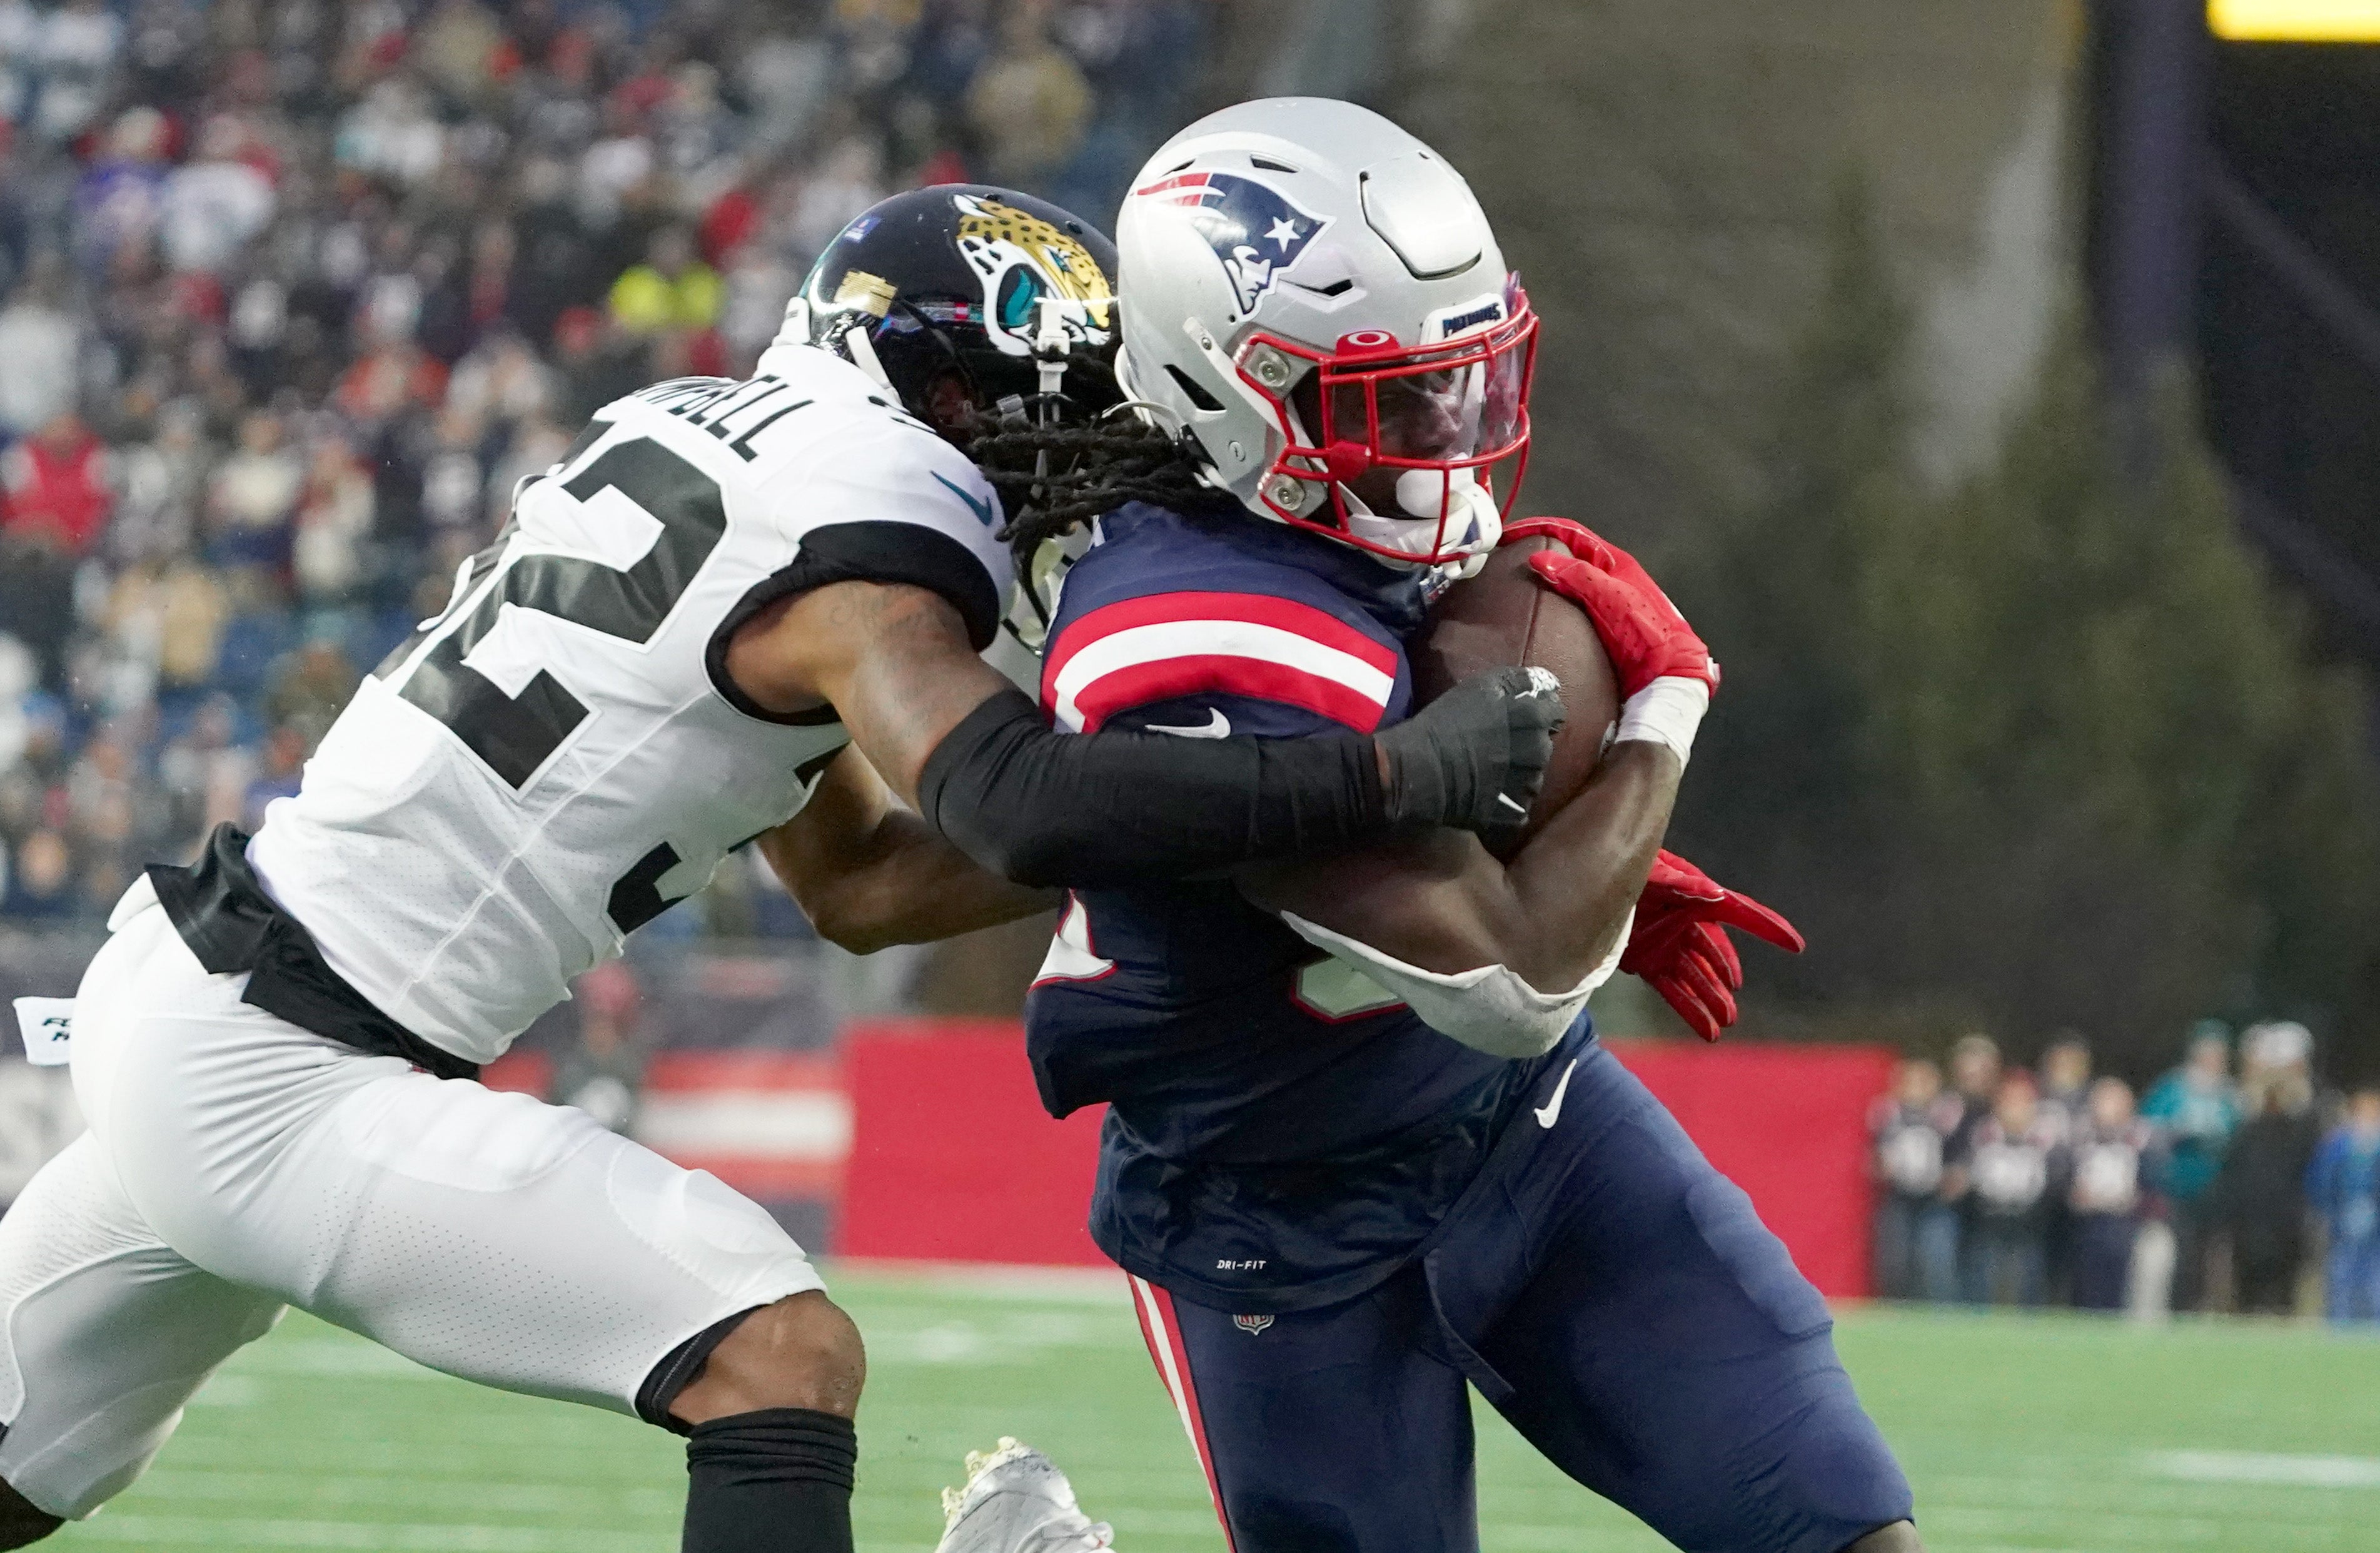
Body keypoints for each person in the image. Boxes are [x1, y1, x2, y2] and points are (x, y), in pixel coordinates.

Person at [0, 184, 1558, 1552]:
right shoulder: (879, 527)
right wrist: (1378, 778)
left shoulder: (698, 434)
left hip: (186, 998)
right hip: (295, 1067)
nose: (1086, 458)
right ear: (947, 389)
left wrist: (1216, 833)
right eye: (1063, 411)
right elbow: (1016, 800)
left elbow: (860, 887)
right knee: (775, 1349)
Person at [980, 99, 1918, 1553]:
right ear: (1217, 389)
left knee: (1838, 1524)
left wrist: (1595, 850)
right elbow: (1512, 976)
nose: (1448, 437)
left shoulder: (1347, 520)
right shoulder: (1195, 629)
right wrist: (1663, 703)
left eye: (1462, 379)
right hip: (1278, 1210)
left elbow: (1514, 987)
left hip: (1526, 1125)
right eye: (1389, 397)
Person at [2219, 1022, 2321, 1316]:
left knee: (2284, 1287)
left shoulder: (2309, 1116)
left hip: (2288, 1214)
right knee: (2247, 1283)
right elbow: (2234, 1166)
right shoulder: (2244, 1114)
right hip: (2249, 1214)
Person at [2140, 1022, 2242, 1312]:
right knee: (2179, 1254)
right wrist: (2178, 1134)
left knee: (2211, 1256)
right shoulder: (2170, 1089)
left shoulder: (2230, 1095)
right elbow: (2148, 1132)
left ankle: (2204, 1307)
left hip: (2215, 1189)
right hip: (2175, 1187)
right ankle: (2174, 1307)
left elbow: (2240, 1138)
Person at [1961, 1073, 2062, 1307]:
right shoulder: (1983, 1133)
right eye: (2009, 1102)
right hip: (1989, 1219)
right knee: (1983, 1278)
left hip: (2030, 1223)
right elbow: (1967, 1171)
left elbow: (2057, 1178)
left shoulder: (2045, 1137)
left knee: (2030, 1280)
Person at [2065, 1077, 2155, 1311]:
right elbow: (2064, 1176)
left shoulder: (2140, 1137)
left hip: (2125, 1223)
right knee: (2087, 1282)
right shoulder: (2080, 1135)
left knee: (2120, 1281)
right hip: (2086, 1223)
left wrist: (2137, 1198)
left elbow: (2152, 1181)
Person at [1869, 1057, 1954, 1300]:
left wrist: (1954, 1174)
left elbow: (1958, 1150)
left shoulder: (1946, 1115)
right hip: (1898, 1197)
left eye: (1922, 1083)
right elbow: (1875, 1152)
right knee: (1895, 1261)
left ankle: (1937, 1313)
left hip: (1934, 1198)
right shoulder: (1887, 1113)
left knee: (1936, 1260)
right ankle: (1896, 1309)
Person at [1934, 1032, 2000, 1302]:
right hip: (1943, 1201)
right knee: (1939, 1267)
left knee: (1983, 1272)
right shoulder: (1943, 1106)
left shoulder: (2001, 1107)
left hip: (1988, 1206)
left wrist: (1970, 1175)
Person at [2307, 1089, 2380, 1324]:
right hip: (2342, 1219)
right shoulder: (2337, 1145)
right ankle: (2340, 1320)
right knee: (2342, 1268)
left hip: (2375, 1222)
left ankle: (2373, 1322)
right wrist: (2327, 1210)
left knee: (2374, 1272)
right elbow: (2321, 1179)